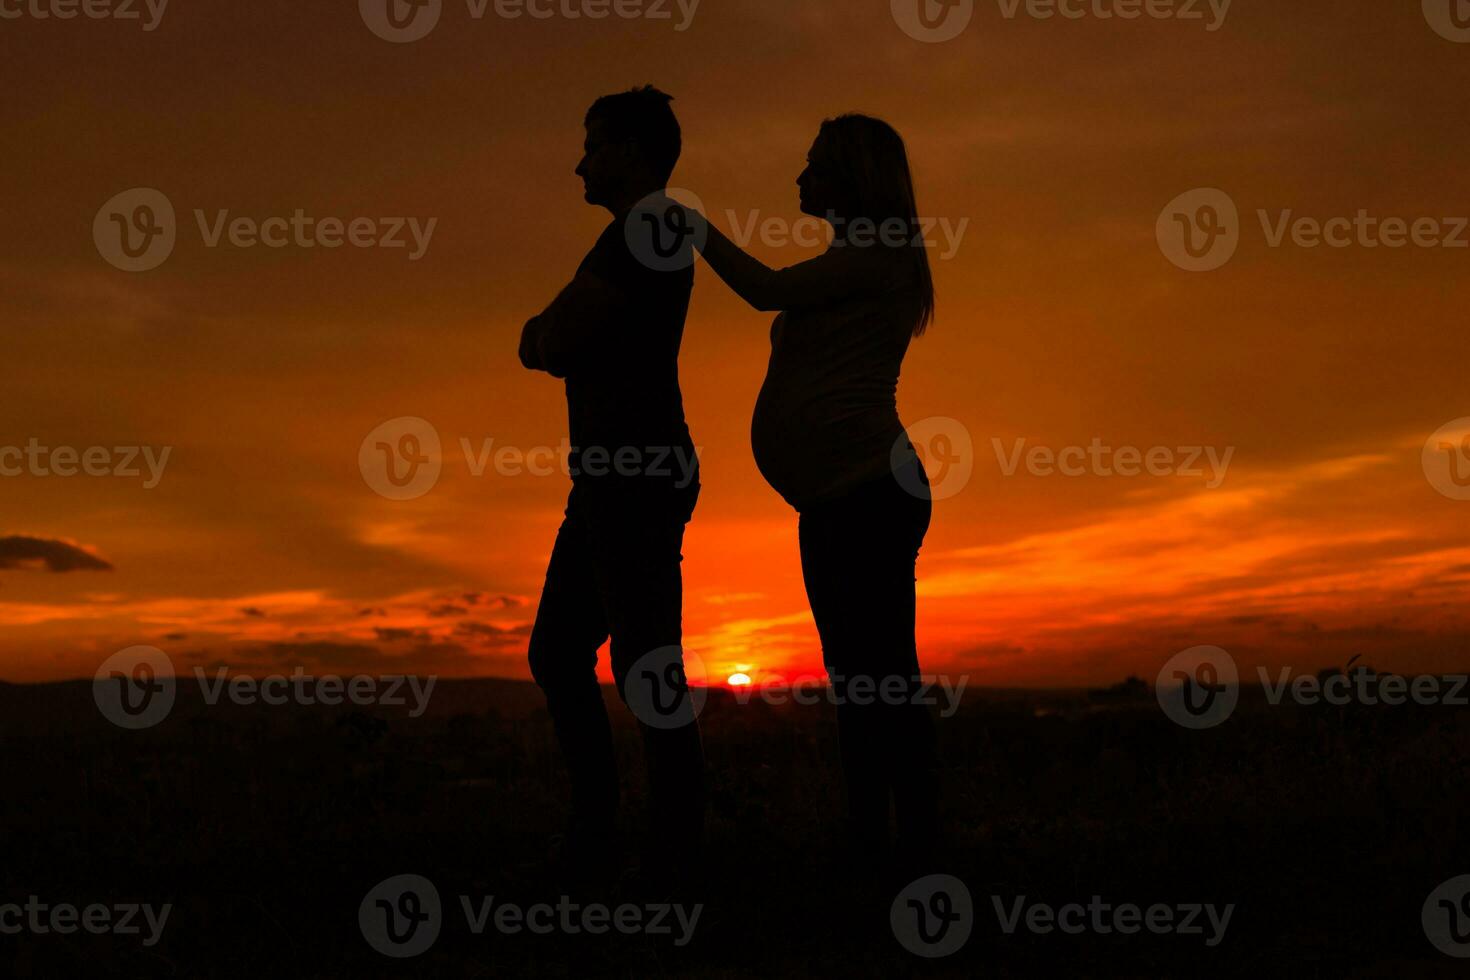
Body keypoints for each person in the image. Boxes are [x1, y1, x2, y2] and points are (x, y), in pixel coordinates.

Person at [682, 114, 941, 884]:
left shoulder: (881, 257)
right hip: (839, 499)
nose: (799, 181)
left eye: (815, 169)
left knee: (880, 680)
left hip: (866, 493)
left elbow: (763, 289)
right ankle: (880, 848)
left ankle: (907, 853)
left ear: (852, 180)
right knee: (863, 680)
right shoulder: (857, 260)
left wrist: (695, 228)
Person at [518, 85, 704, 896]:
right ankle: (604, 834)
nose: (579, 162)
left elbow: (550, 339)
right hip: (607, 476)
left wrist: (546, 333)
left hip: (635, 472)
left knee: (642, 661)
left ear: (631, 150)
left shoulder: (644, 231)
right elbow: (552, 338)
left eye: (593, 145)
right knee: (563, 652)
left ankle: (669, 851)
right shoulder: (633, 235)